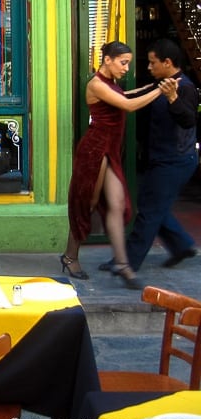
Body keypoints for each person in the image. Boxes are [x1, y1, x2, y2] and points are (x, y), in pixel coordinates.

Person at [61, 41, 173, 289]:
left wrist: (150, 87)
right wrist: (160, 91)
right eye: (123, 63)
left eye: (129, 63)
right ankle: (70, 257)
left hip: (109, 151)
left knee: (117, 203)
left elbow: (126, 96)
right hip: (95, 150)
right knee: (86, 204)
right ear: (108, 60)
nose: (127, 68)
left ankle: (122, 264)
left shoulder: (111, 85)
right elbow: (128, 105)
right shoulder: (96, 84)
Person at [97, 39, 199, 273]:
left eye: (153, 63)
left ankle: (127, 262)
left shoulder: (185, 87)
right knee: (150, 204)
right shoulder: (160, 84)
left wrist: (173, 99)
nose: (149, 67)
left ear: (168, 62)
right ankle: (182, 245)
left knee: (150, 211)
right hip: (160, 158)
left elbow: (189, 120)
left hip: (176, 161)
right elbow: (132, 98)